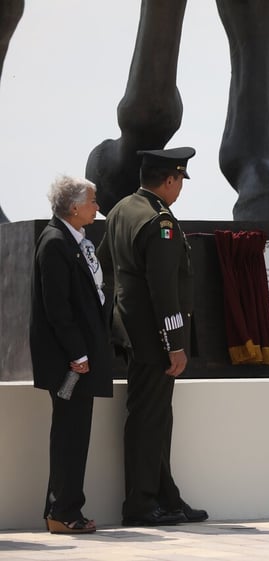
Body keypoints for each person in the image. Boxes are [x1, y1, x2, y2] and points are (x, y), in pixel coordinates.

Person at [97, 146, 208, 526]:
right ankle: (141, 504)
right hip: (154, 340)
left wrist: (119, 316)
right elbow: (164, 290)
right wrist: (175, 344)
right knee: (148, 419)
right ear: (170, 179)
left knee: (156, 417)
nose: (180, 190)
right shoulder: (159, 222)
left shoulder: (121, 211)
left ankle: (166, 497)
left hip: (132, 333)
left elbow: (105, 268)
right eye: (180, 181)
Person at [29, 175, 112, 534]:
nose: (97, 207)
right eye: (93, 201)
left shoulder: (74, 240)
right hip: (71, 362)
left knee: (75, 434)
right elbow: (57, 308)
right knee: (69, 435)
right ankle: (63, 512)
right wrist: (77, 353)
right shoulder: (55, 242)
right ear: (75, 207)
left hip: (82, 358)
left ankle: (63, 509)